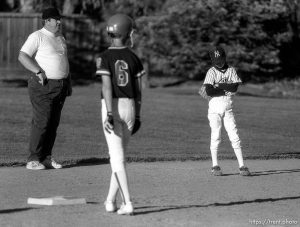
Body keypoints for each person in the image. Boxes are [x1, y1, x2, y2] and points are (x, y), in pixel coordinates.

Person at [95, 14, 145, 215]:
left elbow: (107, 86)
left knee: (116, 160)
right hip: (130, 107)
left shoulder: (104, 57)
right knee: (120, 160)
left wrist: (108, 112)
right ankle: (110, 200)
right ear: (126, 33)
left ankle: (128, 202)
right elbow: (139, 91)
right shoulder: (134, 57)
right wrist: (138, 115)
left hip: (113, 107)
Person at [18, 7, 72, 170]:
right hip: (43, 86)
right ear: (46, 21)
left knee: (53, 123)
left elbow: (64, 61)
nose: (59, 22)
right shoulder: (37, 36)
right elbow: (22, 56)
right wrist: (38, 71)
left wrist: (68, 82)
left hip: (60, 86)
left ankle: (46, 158)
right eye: (55, 19)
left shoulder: (60, 37)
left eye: (59, 19)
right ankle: (33, 159)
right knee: (42, 122)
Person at [201, 46, 250, 176]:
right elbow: (208, 91)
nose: (219, 62)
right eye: (216, 59)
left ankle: (242, 166)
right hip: (214, 109)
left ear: (224, 57)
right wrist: (224, 87)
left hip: (228, 108)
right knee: (216, 136)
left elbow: (234, 88)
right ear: (212, 60)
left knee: (234, 136)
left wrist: (218, 85)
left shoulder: (231, 70)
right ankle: (215, 165)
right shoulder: (211, 71)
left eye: (220, 58)